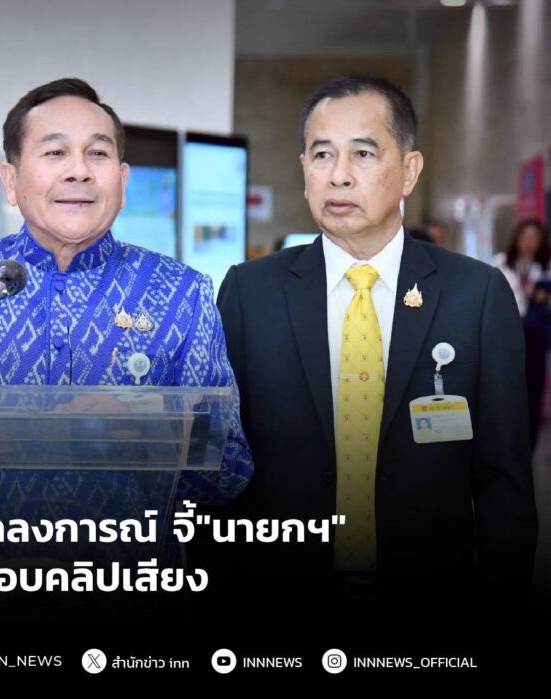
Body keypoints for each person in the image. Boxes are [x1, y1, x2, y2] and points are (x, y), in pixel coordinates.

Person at [0, 78, 253, 574]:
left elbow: (230, 468)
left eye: (97, 154)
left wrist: (144, 433)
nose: (79, 171)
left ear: (122, 181)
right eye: (55, 152)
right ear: (11, 180)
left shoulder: (181, 292)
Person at [216, 75, 536, 606]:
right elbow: (221, 469)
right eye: (322, 155)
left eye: (363, 154)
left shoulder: (475, 295)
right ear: (304, 169)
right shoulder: (250, 292)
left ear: (409, 171)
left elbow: (503, 482)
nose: (338, 175)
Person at [493, 218, 551, 451]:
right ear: (516, 239)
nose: (529, 242)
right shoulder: (501, 263)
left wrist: (542, 296)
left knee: (533, 387)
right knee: (507, 385)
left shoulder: (545, 267)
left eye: (534, 238)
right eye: (525, 237)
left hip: (535, 334)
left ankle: (529, 444)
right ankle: (506, 441)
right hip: (507, 331)